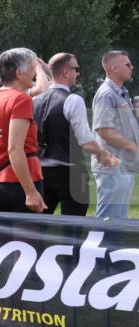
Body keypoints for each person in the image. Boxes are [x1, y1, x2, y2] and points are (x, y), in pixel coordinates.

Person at [34, 52, 119, 215]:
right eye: (76, 69)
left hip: (40, 171)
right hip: (70, 172)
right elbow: (86, 141)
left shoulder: (33, 101)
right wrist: (103, 154)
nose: (78, 73)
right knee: (73, 228)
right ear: (66, 72)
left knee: (39, 225)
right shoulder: (73, 100)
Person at [0, 48, 46, 213]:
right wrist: (31, 192)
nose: (34, 75)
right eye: (33, 69)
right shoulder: (21, 99)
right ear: (19, 73)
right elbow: (14, 148)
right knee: (28, 238)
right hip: (22, 183)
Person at [92, 50, 139, 218]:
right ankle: (97, 245)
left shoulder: (121, 92)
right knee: (108, 220)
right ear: (114, 68)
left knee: (118, 219)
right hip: (112, 166)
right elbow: (104, 131)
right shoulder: (106, 94)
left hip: (123, 164)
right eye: (127, 64)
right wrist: (131, 145)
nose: (131, 67)